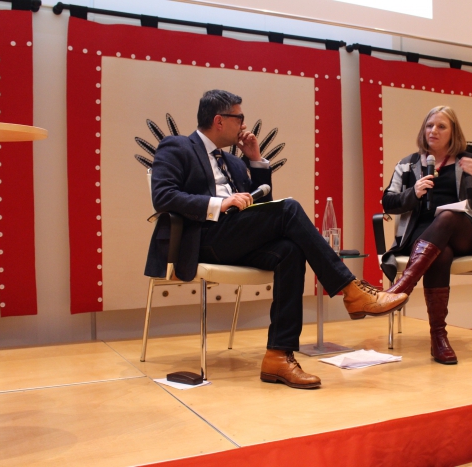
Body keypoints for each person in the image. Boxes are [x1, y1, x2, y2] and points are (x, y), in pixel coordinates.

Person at [145, 89, 408, 389]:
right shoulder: (177, 146)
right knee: (290, 208)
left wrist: (255, 160)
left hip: (234, 238)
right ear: (219, 120)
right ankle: (352, 290)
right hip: (204, 237)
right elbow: (163, 196)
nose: (244, 125)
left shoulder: (233, 162)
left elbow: (259, 204)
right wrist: (220, 204)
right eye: (239, 118)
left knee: (289, 250)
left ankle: (278, 356)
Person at [380, 106, 472, 365]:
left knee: (446, 216)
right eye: (429, 126)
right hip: (424, 238)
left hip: (464, 233)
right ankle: (439, 338)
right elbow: (388, 202)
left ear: (453, 132)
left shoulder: (468, 161)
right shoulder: (408, 164)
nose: (433, 131)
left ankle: (401, 288)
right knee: (440, 254)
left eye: (441, 126)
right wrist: (414, 192)